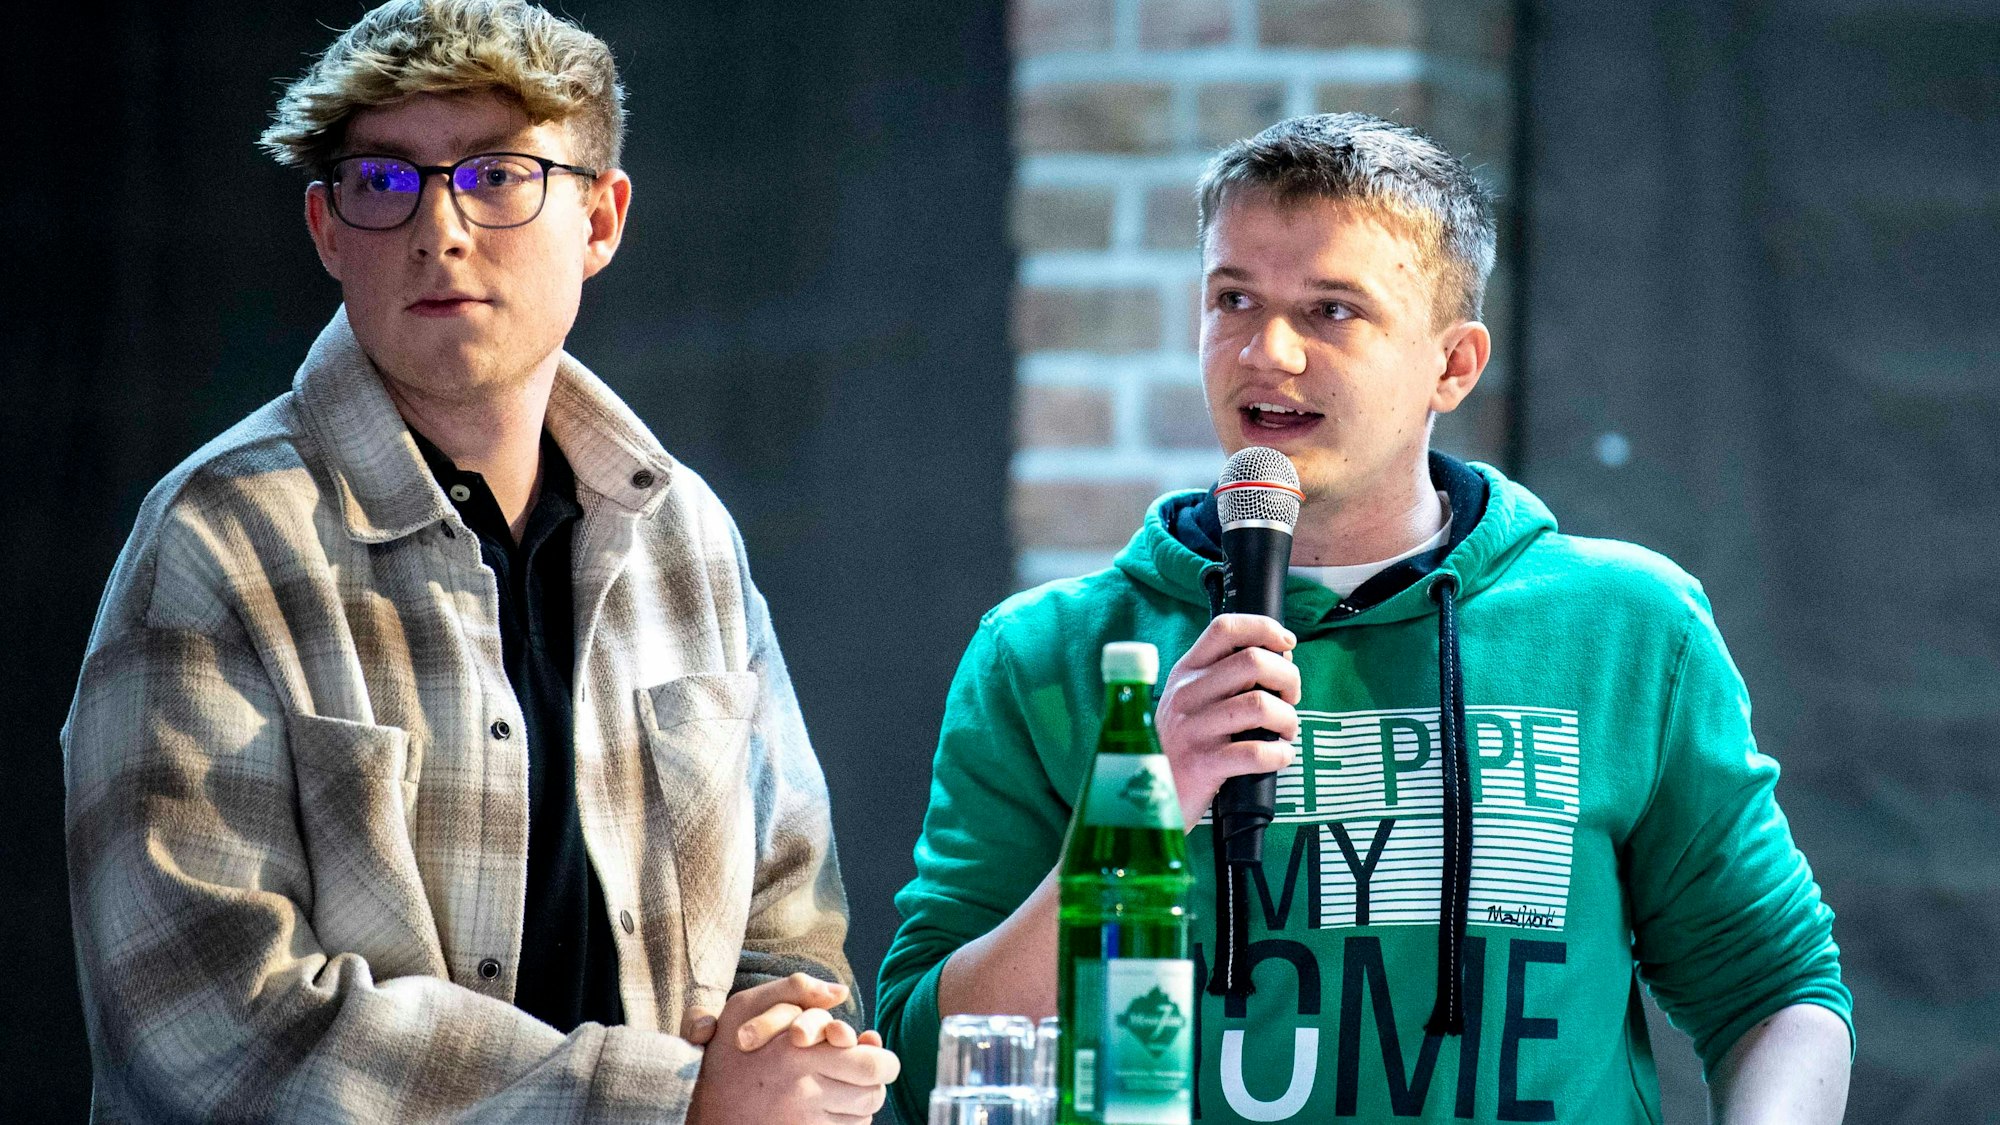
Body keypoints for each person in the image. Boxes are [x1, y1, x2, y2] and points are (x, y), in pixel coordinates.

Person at [878, 113, 1852, 1123]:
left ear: (1451, 364)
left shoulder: (1624, 624)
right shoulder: (1046, 654)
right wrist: (1141, 811)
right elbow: (931, 1049)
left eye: (1331, 311)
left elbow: (1774, 994)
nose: (1266, 351)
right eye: (1232, 299)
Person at [61, 1, 897, 1120]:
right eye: (385, 182)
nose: (438, 229)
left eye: (498, 176)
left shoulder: (683, 535)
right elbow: (209, 1022)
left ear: (600, 220)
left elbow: (791, 928)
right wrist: (673, 1102)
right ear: (326, 229)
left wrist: (787, 1045)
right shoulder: (216, 540)